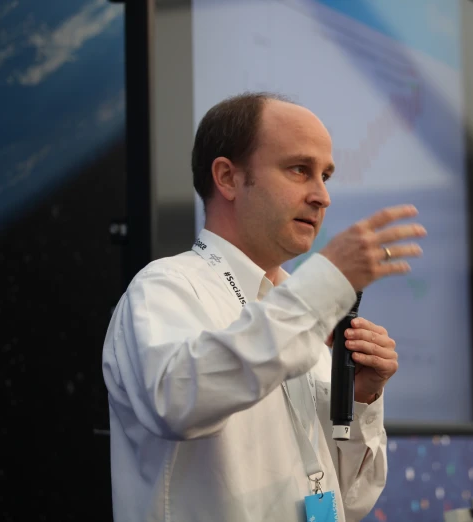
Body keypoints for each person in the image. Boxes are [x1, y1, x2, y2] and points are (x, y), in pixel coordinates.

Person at [102, 92, 426, 522]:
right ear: (228, 178)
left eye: (326, 175)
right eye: (299, 170)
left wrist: (361, 398)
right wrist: (324, 282)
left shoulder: (299, 310)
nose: (322, 196)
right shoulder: (166, 288)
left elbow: (347, 500)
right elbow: (176, 401)